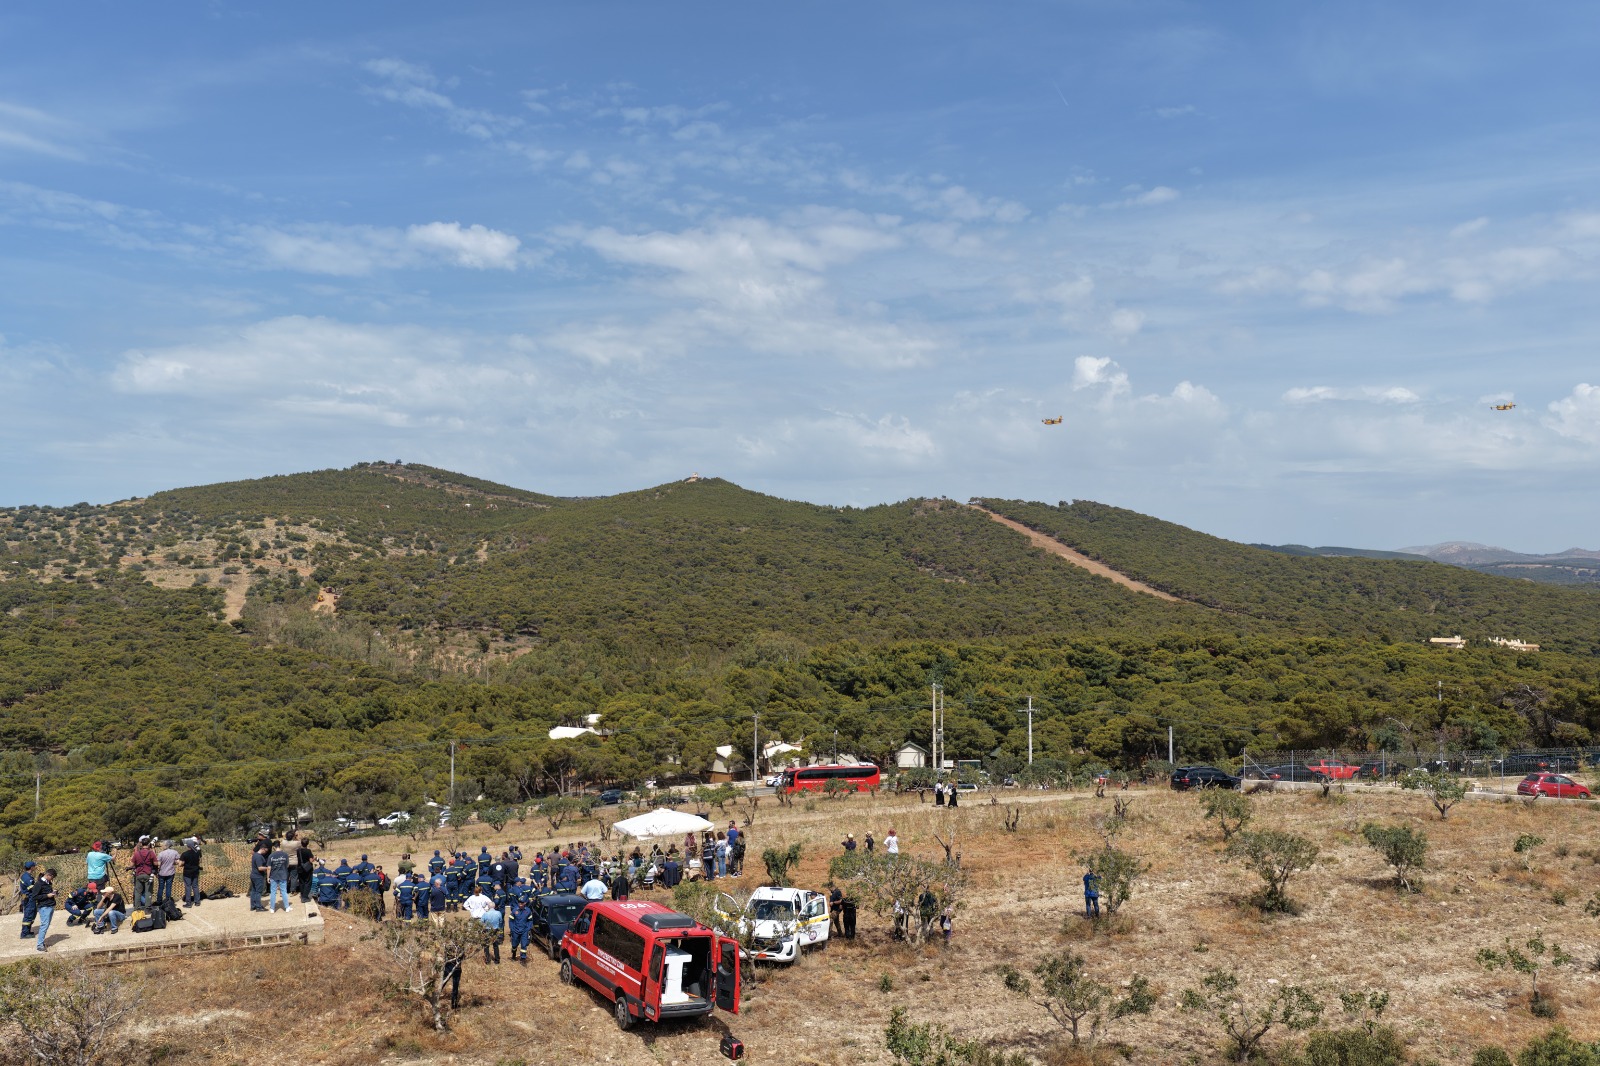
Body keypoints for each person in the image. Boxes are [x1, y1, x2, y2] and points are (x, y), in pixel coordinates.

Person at [32, 868, 58, 952]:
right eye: (52, 877)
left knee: (46, 925)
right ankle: (39, 945)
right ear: (48, 875)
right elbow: (34, 897)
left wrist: (53, 892)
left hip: (50, 906)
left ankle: (41, 943)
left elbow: (47, 893)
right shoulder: (39, 884)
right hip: (44, 907)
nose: (52, 879)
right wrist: (47, 895)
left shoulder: (48, 882)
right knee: (44, 926)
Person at [130, 837, 157, 910]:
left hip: (139, 874)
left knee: (138, 892)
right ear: (148, 844)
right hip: (148, 874)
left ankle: (137, 907)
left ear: (141, 844)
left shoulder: (137, 853)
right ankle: (147, 907)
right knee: (148, 891)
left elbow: (131, 864)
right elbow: (156, 863)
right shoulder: (151, 853)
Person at [507, 897, 533, 963]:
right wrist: (512, 929)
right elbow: (511, 920)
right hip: (515, 931)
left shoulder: (528, 911)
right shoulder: (514, 910)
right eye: (519, 903)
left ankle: (523, 959)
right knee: (514, 945)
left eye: (521, 903)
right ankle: (514, 954)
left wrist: (528, 928)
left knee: (524, 945)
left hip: (524, 931)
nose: (520, 904)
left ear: (525, 903)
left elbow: (530, 920)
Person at [17, 861, 38, 941]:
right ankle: (24, 934)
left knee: (32, 914)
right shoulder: (27, 877)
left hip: (30, 898)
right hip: (29, 899)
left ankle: (28, 931)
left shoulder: (27, 875)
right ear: (31, 867)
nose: (35, 867)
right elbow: (33, 888)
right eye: (34, 866)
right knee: (28, 915)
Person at [180, 839, 203, 908]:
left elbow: (181, 864)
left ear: (187, 846)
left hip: (187, 872)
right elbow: (200, 861)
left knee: (188, 887)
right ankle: (197, 902)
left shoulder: (185, 854)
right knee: (195, 886)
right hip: (195, 871)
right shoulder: (197, 852)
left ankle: (188, 903)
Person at [249, 841, 270, 911]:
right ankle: (258, 906)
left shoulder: (254, 855)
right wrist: (268, 868)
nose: (266, 852)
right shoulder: (259, 857)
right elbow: (260, 868)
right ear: (263, 849)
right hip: (258, 876)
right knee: (258, 892)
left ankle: (253, 906)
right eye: (266, 851)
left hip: (253, 875)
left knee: (253, 891)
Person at [296, 838, 316, 902]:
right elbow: (311, 861)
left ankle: (302, 895)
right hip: (307, 869)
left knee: (301, 882)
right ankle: (305, 897)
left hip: (299, 868)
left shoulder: (298, 850)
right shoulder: (308, 851)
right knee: (308, 882)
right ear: (307, 843)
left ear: (301, 843)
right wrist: (314, 858)